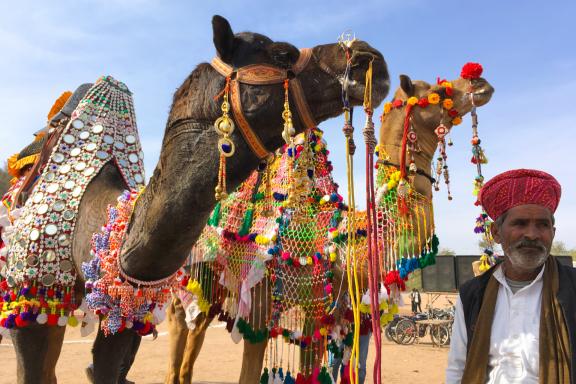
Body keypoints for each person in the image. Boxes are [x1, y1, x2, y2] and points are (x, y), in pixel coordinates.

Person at [446, 169, 576, 383]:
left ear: (553, 232)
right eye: (520, 223)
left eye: (543, 225)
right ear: (496, 233)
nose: (532, 234)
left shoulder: (572, 287)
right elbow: (457, 367)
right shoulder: (472, 294)